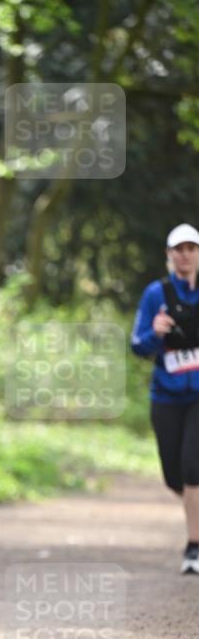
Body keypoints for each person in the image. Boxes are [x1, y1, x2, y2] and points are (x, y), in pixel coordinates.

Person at [131, 223, 199, 574]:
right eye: (179, 249)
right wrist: (155, 334)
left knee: (192, 468)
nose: (185, 255)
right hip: (166, 396)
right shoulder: (155, 294)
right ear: (169, 255)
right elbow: (137, 345)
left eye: (191, 249)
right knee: (175, 478)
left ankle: (194, 548)